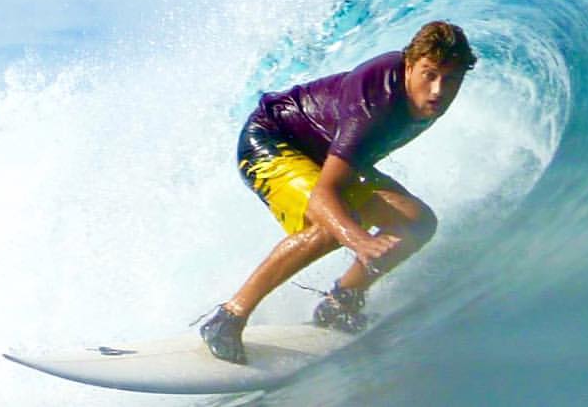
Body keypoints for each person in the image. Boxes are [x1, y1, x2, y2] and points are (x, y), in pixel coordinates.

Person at [199, 21, 476, 364]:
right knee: (332, 224)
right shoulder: (377, 102)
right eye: (429, 74)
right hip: (271, 141)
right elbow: (323, 195)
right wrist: (360, 240)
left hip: (326, 156)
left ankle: (340, 302)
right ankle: (228, 317)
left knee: (416, 222)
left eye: (450, 79)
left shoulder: (423, 98)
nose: (437, 90)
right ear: (409, 65)